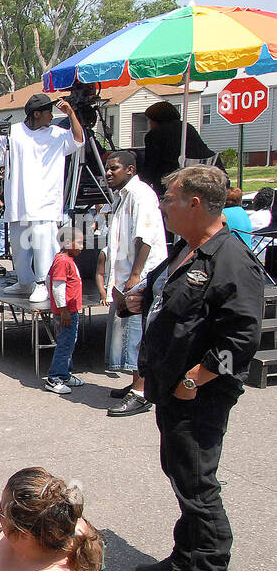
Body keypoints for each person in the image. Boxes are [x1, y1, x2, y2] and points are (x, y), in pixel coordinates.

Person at [120, 165, 265, 571]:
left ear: (196, 203)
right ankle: (185, 560)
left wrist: (195, 379)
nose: (163, 207)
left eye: (170, 200)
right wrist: (138, 300)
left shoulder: (232, 259)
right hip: (172, 388)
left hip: (200, 393)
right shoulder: (186, 249)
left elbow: (242, 337)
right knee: (182, 473)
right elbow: (169, 298)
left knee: (198, 483)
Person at [0, 93, 84, 303]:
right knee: (19, 247)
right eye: (49, 112)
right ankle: (25, 282)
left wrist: (71, 114)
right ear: (36, 114)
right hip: (18, 201)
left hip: (45, 201)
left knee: (43, 245)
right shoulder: (13, 132)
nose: (52, 116)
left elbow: (78, 140)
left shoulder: (56, 134)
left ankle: (43, 283)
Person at [97, 151, 167, 417]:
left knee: (138, 336)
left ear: (130, 169)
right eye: (107, 168)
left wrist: (136, 275)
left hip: (141, 275)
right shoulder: (122, 197)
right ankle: (137, 382)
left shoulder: (141, 195)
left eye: (114, 168)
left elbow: (146, 238)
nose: (108, 173)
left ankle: (141, 392)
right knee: (127, 333)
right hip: (126, 275)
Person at [42, 228, 86, 395]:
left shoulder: (65, 259)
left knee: (69, 342)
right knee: (65, 344)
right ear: (68, 243)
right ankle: (54, 378)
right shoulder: (63, 261)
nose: (82, 246)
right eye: (79, 242)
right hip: (66, 312)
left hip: (69, 311)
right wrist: (63, 310)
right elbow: (57, 287)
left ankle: (65, 374)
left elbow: (47, 279)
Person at [142, 100, 214, 196]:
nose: (150, 124)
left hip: (171, 184)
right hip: (198, 177)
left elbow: (151, 165)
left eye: (150, 120)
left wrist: (142, 183)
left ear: (156, 119)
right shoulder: (187, 127)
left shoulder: (154, 134)